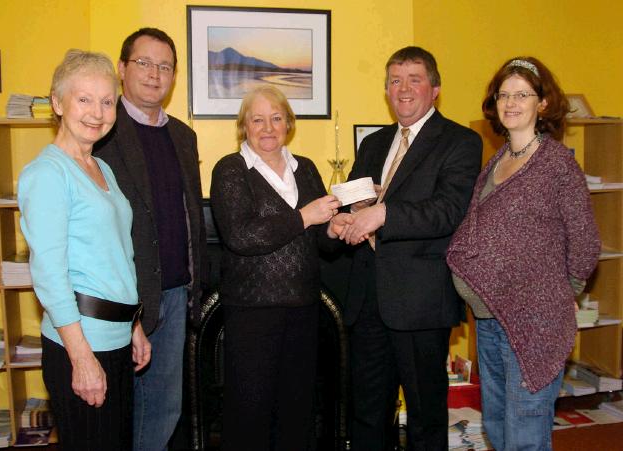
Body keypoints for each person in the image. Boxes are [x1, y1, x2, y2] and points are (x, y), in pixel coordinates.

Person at [330, 46, 482, 450]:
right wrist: (353, 210)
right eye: (395, 80)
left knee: (425, 414)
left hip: (421, 301)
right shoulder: (375, 143)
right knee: (367, 411)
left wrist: (383, 215)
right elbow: (360, 199)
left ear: (435, 89)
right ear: (386, 90)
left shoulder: (461, 141)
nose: (404, 89)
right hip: (368, 300)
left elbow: (449, 210)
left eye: (414, 79)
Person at [446, 57, 600, 450]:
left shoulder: (557, 164)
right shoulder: (496, 161)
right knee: (497, 428)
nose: (511, 102)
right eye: (504, 94)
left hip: (534, 324)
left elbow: (585, 242)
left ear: (542, 103)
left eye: (522, 94)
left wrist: (555, 296)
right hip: (489, 320)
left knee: (526, 436)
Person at [18, 49, 151, 451]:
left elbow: (115, 255)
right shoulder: (47, 173)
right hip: (81, 343)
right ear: (57, 103)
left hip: (114, 337)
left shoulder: (101, 167)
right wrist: (81, 358)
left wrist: (134, 324)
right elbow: (50, 275)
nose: (98, 112)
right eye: (84, 99)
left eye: (107, 101)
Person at [93, 28, 207, 451]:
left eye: (165, 66)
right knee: (113, 409)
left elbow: (190, 215)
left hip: (175, 294)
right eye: (144, 63)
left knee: (163, 409)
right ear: (122, 68)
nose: (154, 74)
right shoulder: (101, 130)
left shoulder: (183, 135)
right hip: (117, 298)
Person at [210, 85, 341, 451]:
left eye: (276, 118)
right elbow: (241, 236)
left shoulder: (307, 168)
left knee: (298, 412)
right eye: (257, 119)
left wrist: (335, 227)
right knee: (248, 413)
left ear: (289, 123)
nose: (267, 127)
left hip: (303, 307)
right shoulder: (231, 169)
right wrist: (304, 217)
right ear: (244, 126)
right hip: (252, 312)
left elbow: (322, 241)